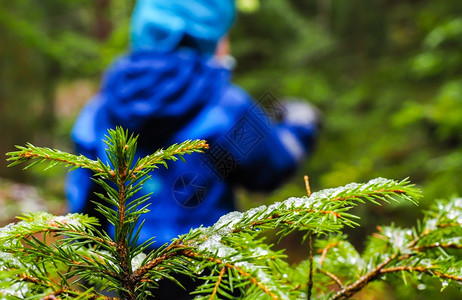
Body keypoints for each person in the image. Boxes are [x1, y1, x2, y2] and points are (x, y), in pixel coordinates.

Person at [66, 0, 320, 250]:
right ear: (207, 36)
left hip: (121, 276)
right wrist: (300, 125)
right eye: (224, 34)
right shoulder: (225, 104)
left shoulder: (103, 105)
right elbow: (269, 169)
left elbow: (84, 202)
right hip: (206, 275)